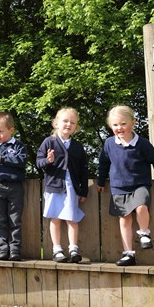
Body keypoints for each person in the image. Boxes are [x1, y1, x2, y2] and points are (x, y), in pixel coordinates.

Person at [96, 105, 154, 266]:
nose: (119, 128)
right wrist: (100, 181)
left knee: (141, 207)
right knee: (124, 219)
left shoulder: (142, 144)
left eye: (123, 124)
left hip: (140, 185)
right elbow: (103, 163)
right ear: (111, 127)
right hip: (118, 187)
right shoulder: (109, 144)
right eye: (115, 125)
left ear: (133, 123)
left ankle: (144, 233)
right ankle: (128, 253)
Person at [36, 107, 89, 263]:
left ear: (76, 127)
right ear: (56, 123)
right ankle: (57, 249)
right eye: (65, 121)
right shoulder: (49, 142)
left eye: (72, 122)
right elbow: (39, 162)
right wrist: (48, 160)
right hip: (54, 186)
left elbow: (84, 170)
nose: (68, 124)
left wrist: (83, 191)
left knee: (72, 219)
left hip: (71, 187)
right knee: (56, 218)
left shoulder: (78, 146)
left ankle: (73, 249)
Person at [0, 112, 30, 261]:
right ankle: (3, 249)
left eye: (0, 131)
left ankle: (15, 250)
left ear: (11, 130)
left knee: (15, 220)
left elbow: (21, 161)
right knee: (1, 220)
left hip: (15, 187)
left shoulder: (18, 146)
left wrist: (1, 159)